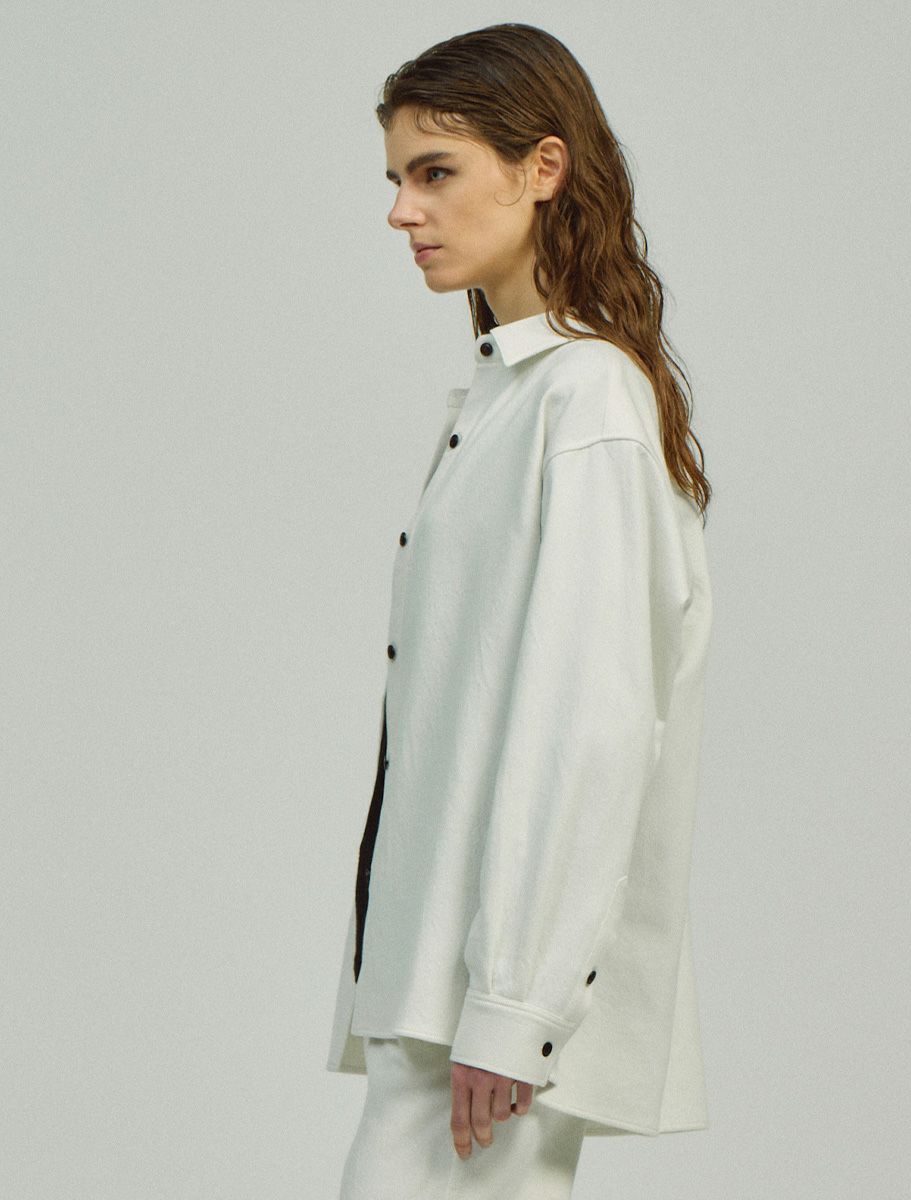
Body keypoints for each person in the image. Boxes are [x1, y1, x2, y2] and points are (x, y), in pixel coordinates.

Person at [326, 21, 714, 1199]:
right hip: (438, 991)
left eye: (434, 172)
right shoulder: (510, 397)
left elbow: (589, 724)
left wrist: (516, 1008)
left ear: (542, 167)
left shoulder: (584, 401)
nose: (402, 211)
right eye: (396, 178)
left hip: (483, 1017)